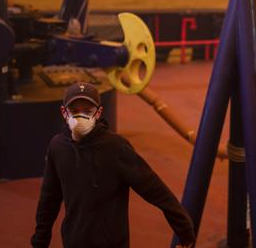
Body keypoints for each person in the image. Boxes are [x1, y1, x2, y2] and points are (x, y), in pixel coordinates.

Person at [31, 82, 195, 248]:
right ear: (64, 112)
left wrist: (184, 230)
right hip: (74, 242)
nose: (80, 118)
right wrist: (40, 240)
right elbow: (49, 198)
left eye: (87, 111)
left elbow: (154, 189)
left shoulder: (116, 148)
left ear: (99, 113)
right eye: (74, 111)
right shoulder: (58, 147)